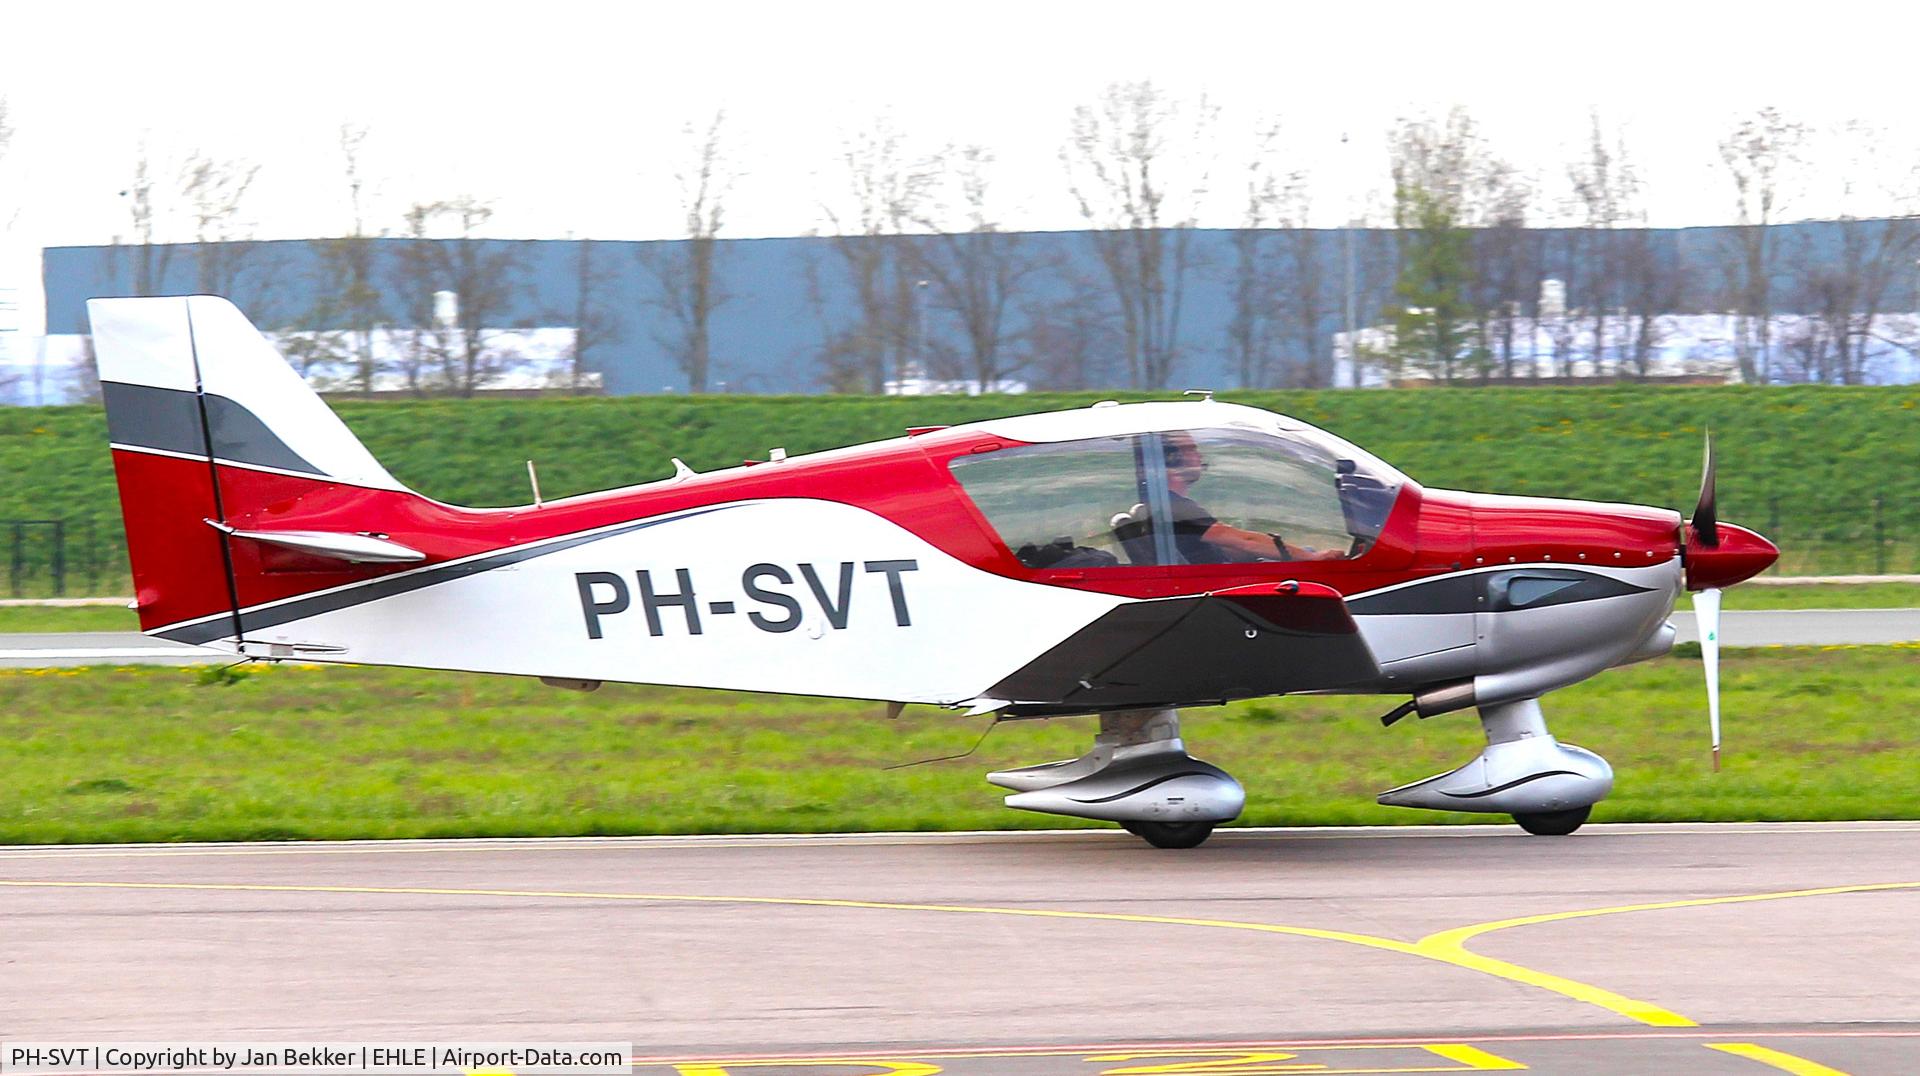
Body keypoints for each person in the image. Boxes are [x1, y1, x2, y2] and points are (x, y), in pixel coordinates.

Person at [1161, 431, 1342, 564]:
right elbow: (1247, 542)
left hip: (1225, 576)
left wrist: (1281, 551)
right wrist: (1312, 557)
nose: (1199, 456)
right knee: (1309, 557)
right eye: (1191, 450)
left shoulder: (1167, 505)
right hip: (1224, 586)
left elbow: (1220, 549)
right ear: (1172, 459)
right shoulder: (1176, 509)